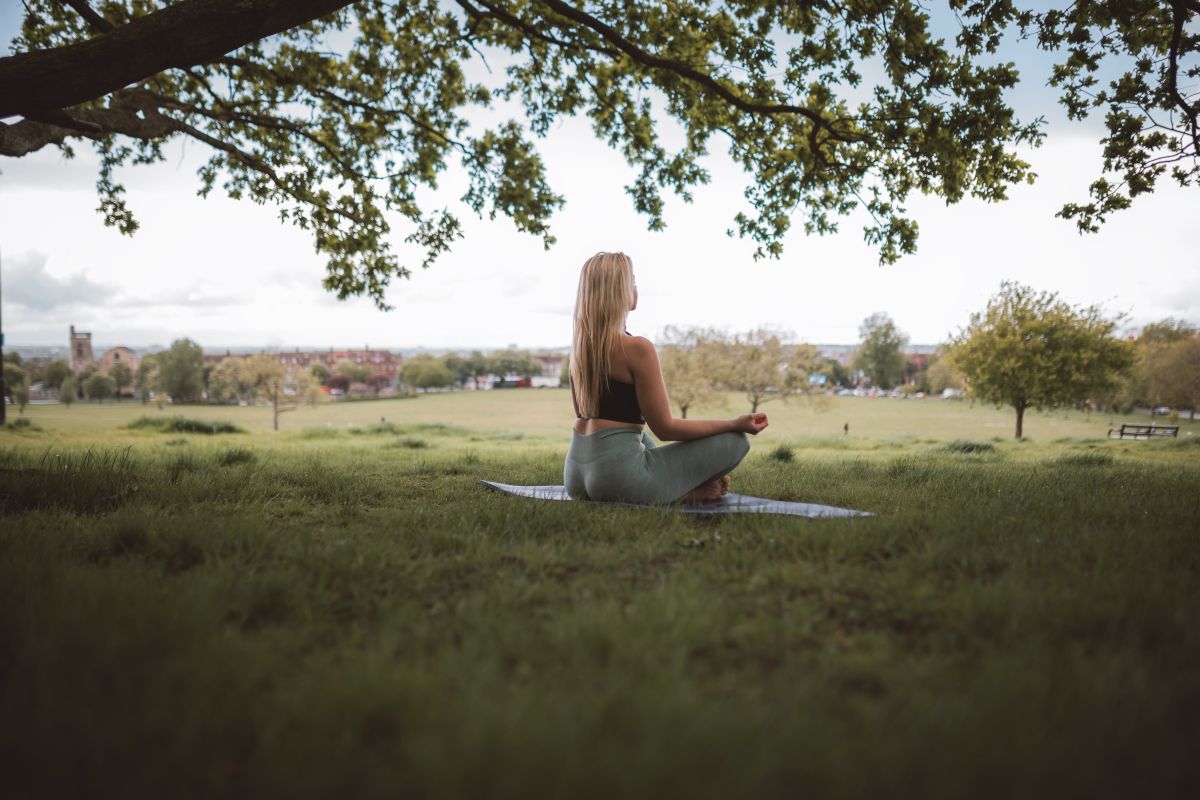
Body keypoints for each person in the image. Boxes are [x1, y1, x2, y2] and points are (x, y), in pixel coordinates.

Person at [564, 251, 768, 504]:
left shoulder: (580, 349)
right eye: (632, 282)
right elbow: (665, 428)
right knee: (736, 441)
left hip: (575, 476)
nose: (636, 288)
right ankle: (686, 493)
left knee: (639, 436)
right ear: (619, 292)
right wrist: (734, 423)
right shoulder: (638, 348)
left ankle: (669, 484)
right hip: (619, 480)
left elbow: (586, 413)